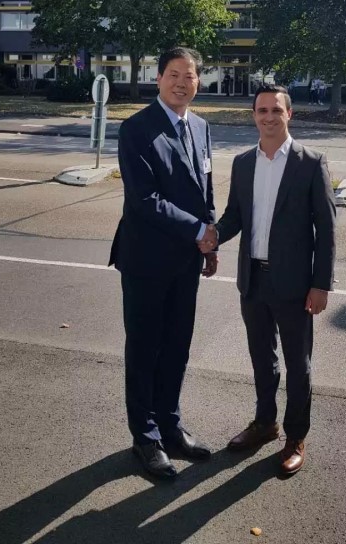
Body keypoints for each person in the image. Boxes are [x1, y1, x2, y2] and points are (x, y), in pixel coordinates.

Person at [199, 84, 336, 476]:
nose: (269, 117)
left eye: (276, 110)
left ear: (289, 114)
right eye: (261, 110)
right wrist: (213, 236)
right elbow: (234, 217)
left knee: (298, 364)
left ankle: (295, 436)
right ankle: (264, 424)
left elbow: (326, 230)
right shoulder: (243, 162)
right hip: (253, 282)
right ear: (253, 115)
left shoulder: (311, 162)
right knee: (262, 360)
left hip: (295, 285)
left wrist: (321, 283)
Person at [109, 46, 217, 480]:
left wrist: (208, 243)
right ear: (158, 79)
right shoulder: (136, 129)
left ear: (197, 81)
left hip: (185, 262)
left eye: (189, 76)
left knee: (177, 346)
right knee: (144, 349)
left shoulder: (202, 127)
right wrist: (198, 232)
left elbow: (204, 190)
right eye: (173, 74)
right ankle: (146, 438)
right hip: (145, 261)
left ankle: (170, 425)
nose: (181, 83)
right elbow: (145, 200)